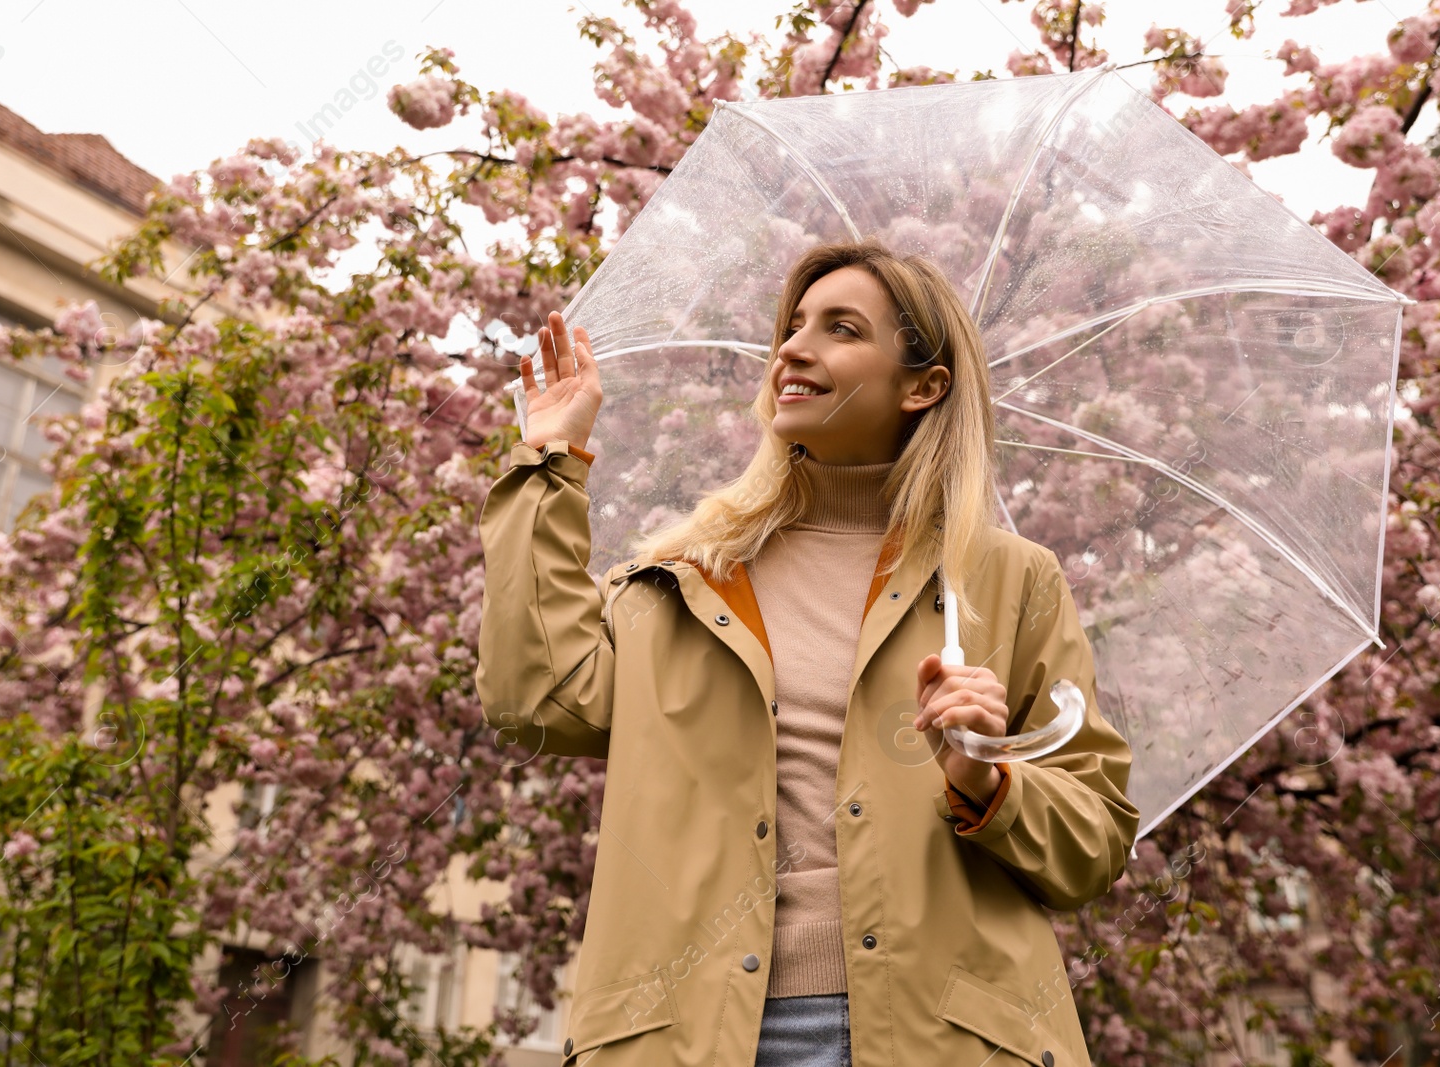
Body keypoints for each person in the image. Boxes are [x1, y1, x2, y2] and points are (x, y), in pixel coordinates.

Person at [474, 238, 1138, 1067]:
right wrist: (551, 460)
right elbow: (534, 697)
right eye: (792, 326)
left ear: (923, 385)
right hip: (689, 1034)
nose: (793, 346)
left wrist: (987, 781)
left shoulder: (1007, 581)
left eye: (841, 328)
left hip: (942, 1037)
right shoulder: (686, 576)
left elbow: (1096, 844)